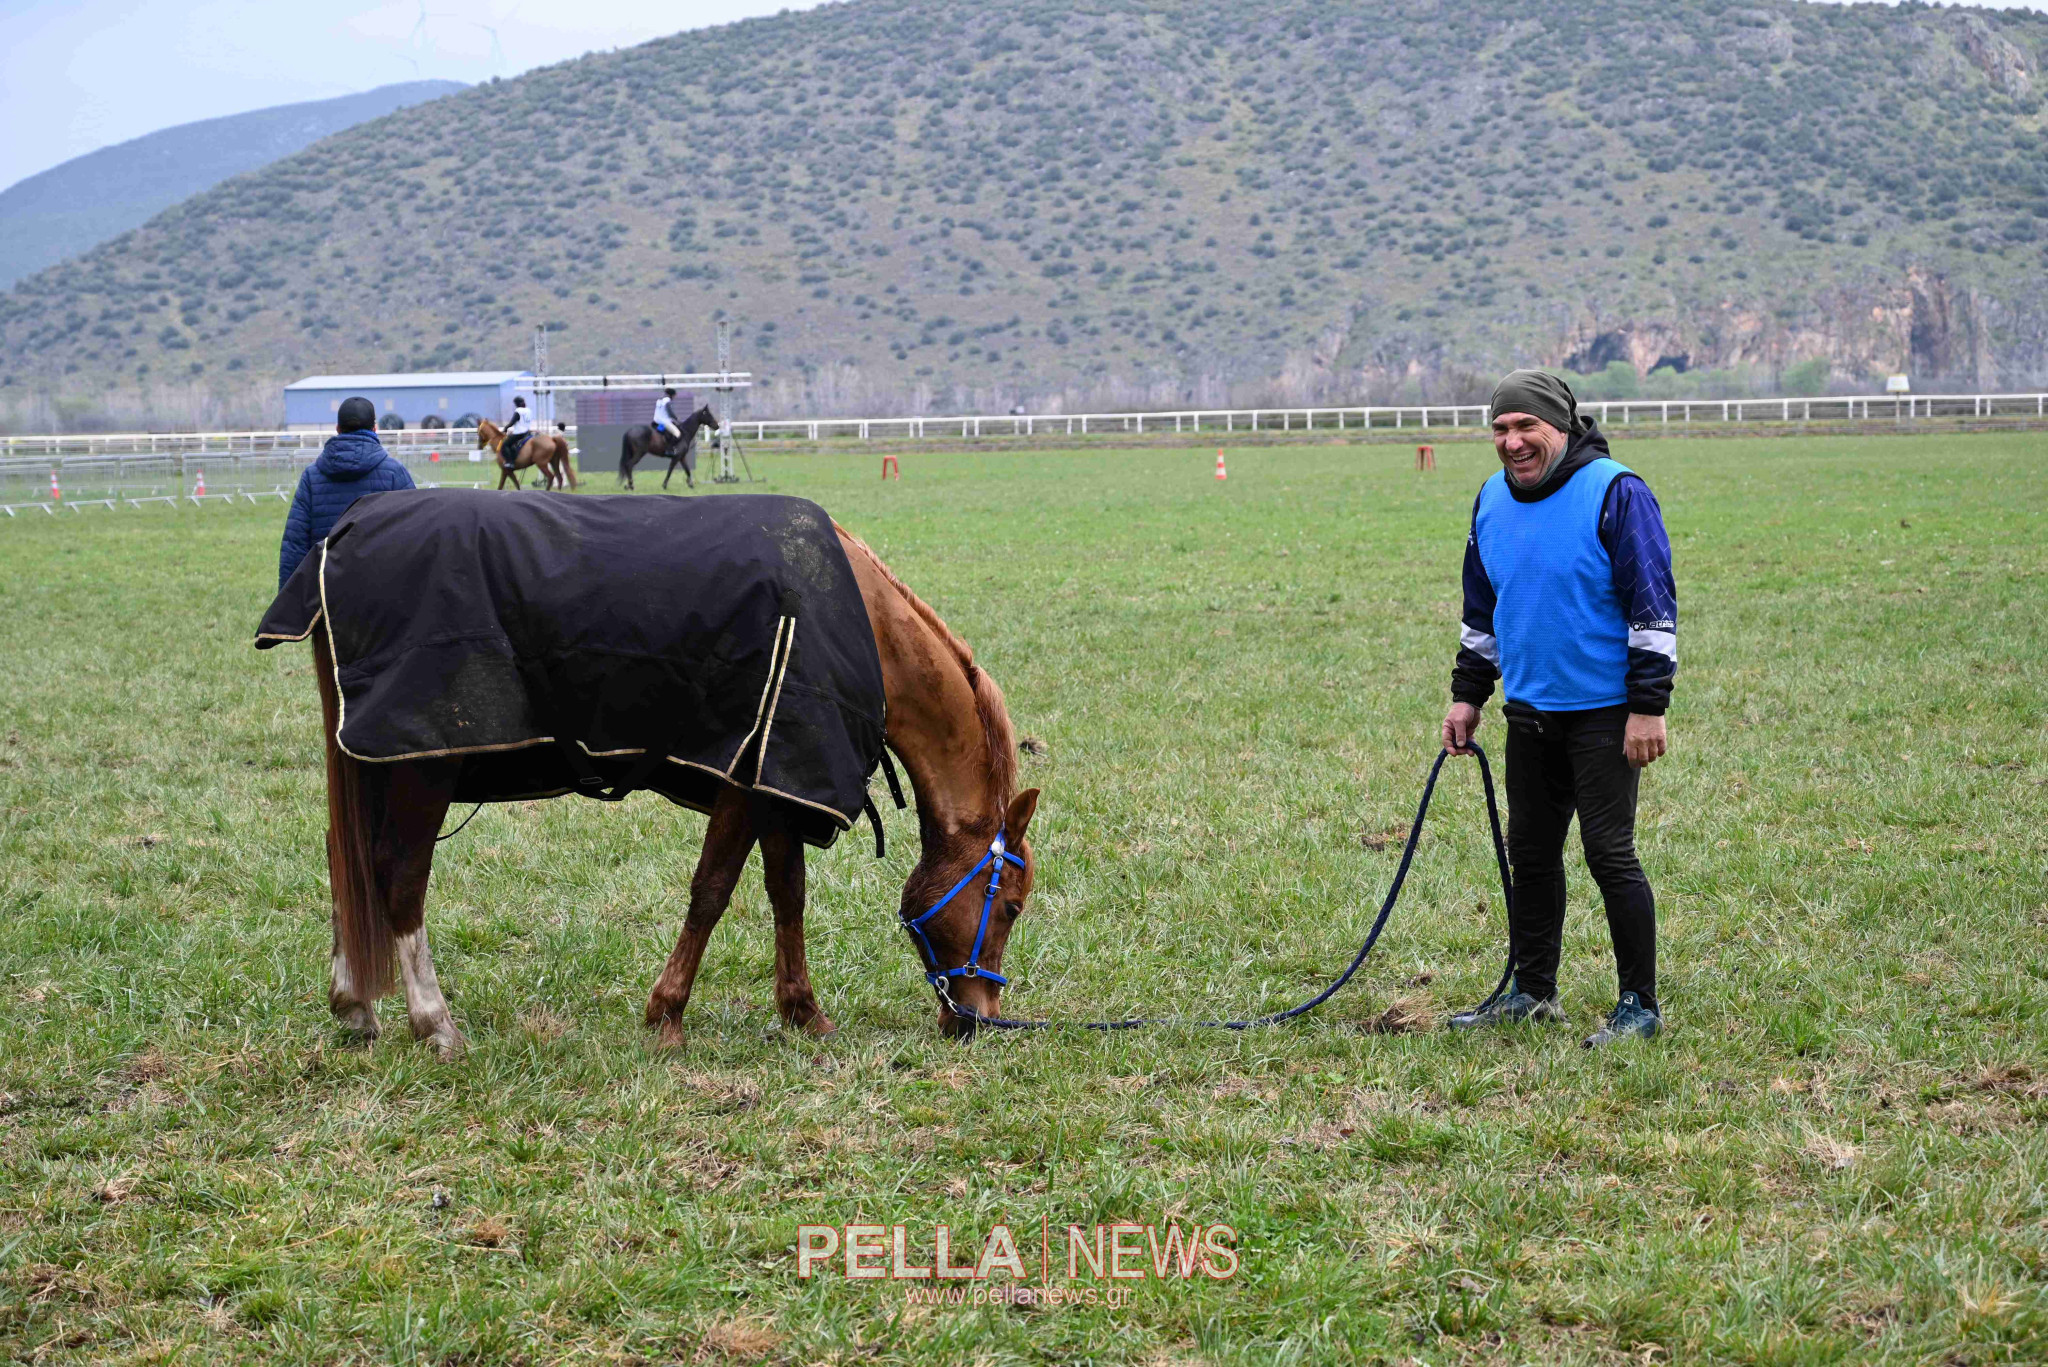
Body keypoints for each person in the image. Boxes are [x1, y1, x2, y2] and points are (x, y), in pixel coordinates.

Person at [1441, 368, 1676, 1048]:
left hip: (1606, 713)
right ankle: (1533, 990)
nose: (1512, 442)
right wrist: (1467, 696)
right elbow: (1482, 611)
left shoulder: (1617, 492)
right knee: (1532, 855)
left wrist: (1647, 706)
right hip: (1529, 712)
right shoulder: (1489, 498)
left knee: (1610, 854)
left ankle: (1640, 1004)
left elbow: (1652, 607)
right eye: (1500, 428)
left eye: (1526, 427)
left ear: (1563, 427)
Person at [278, 396, 416, 587]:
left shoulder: (311, 476)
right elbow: (414, 536)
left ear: (338, 429)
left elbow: (295, 545)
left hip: (326, 591)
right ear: (374, 429)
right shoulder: (395, 473)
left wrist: (288, 603)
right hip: (380, 588)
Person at [501, 396, 533, 472]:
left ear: (517, 404)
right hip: (527, 433)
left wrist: (505, 428)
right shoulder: (529, 410)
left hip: (519, 433)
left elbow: (512, 422)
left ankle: (510, 462)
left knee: (504, 444)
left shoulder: (518, 411)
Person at [653, 387, 683, 452]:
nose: (674, 397)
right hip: (664, 422)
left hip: (656, 421)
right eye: (674, 396)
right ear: (671, 395)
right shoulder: (667, 400)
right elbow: (670, 413)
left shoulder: (659, 400)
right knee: (678, 434)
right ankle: (670, 449)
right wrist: (677, 419)